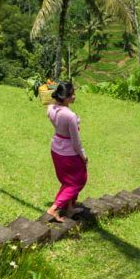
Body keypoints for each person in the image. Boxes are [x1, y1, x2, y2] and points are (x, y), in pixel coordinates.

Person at [46, 81, 88, 222]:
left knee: (67, 180)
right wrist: (84, 156)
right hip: (68, 152)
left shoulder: (50, 109)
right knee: (78, 180)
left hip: (56, 148)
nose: (75, 96)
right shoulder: (69, 116)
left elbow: (50, 101)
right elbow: (76, 142)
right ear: (66, 97)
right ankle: (55, 207)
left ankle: (69, 209)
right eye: (72, 94)